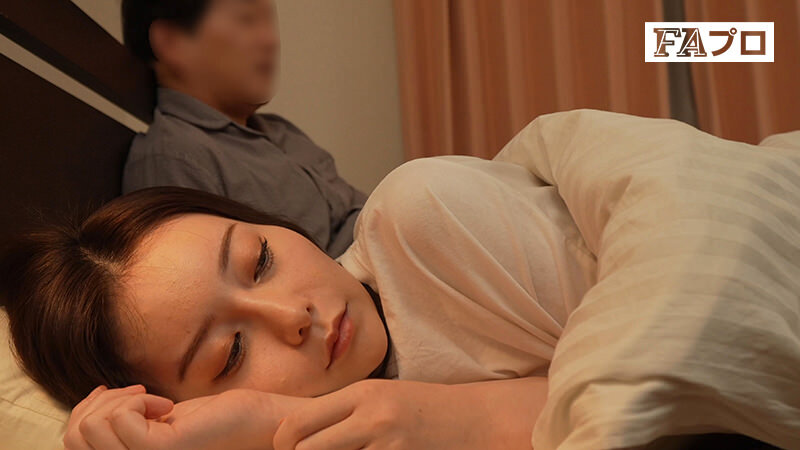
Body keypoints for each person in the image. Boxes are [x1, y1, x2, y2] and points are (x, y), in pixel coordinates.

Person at [1, 154, 596, 449]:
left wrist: (451, 418)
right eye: (231, 353)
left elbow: (654, 360)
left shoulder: (428, 219)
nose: (294, 316)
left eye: (260, 261)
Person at [121, 0, 367, 258]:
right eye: (246, 20)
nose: (271, 41)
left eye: (269, 22)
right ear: (172, 42)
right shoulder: (176, 157)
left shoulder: (282, 131)